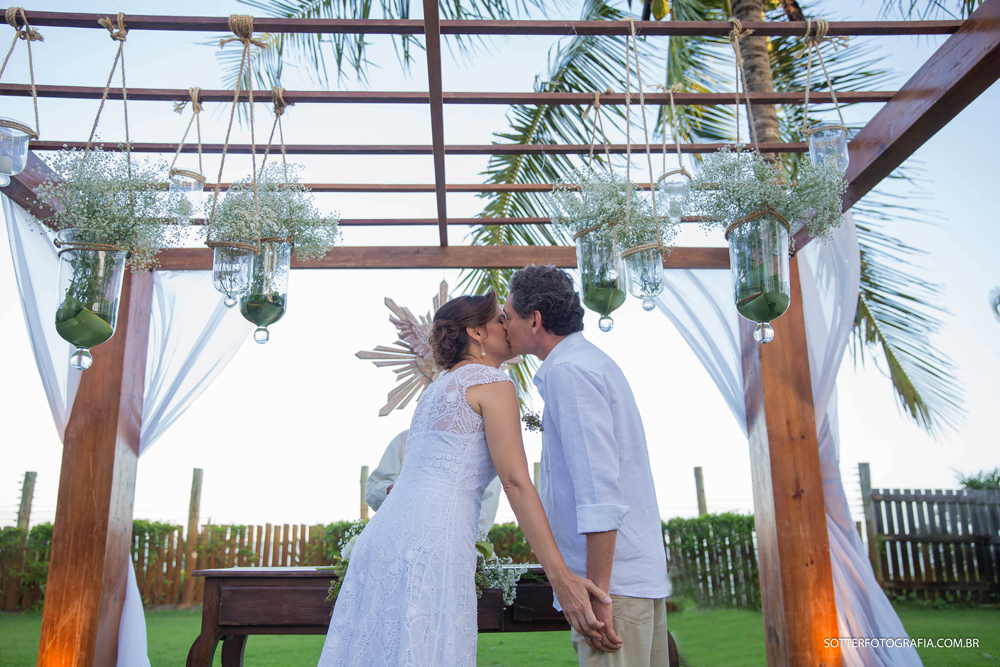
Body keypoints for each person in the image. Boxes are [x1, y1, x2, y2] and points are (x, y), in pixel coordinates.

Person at [319, 290, 610, 666]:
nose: (508, 325)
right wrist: (562, 579)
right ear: (476, 331)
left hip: (383, 538)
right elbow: (516, 482)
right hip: (432, 542)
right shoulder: (493, 383)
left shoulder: (437, 388)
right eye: (500, 319)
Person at [502, 265, 671, 667]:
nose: (503, 324)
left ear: (535, 320)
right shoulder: (586, 362)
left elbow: (599, 494)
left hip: (615, 590)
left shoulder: (569, 371)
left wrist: (599, 595)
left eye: (507, 316)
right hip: (630, 581)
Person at [366, 430, 503, 535]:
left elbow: (483, 517)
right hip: (396, 540)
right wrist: (392, 491)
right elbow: (373, 489)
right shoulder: (406, 439)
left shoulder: (482, 451)